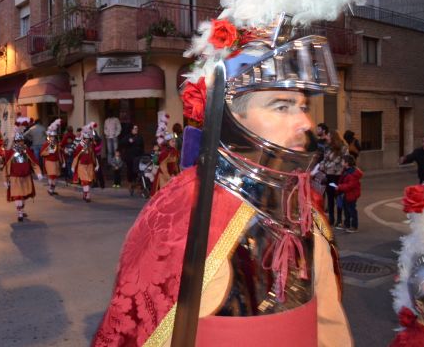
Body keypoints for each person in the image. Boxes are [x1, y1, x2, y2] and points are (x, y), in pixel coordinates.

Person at [93, 18, 351, 344]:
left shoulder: (303, 206)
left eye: (302, 106)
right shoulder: (182, 211)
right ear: (232, 117)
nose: (305, 121)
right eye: (282, 106)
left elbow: (328, 322)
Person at [2, 119, 42, 222]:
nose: (20, 143)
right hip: (15, 178)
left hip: (26, 177)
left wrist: (38, 173)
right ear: (15, 142)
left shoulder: (27, 151)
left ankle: (22, 209)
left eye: (21, 141)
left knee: (23, 195)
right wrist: (5, 180)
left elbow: (34, 162)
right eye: (18, 141)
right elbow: (6, 167)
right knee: (18, 195)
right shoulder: (11, 153)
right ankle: (19, 213)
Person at [319, 130, 348, 228]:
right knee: (330, 197)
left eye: (329, 136)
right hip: (329, 175)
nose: (327, 137)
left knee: (338, 197)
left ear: (333, 137)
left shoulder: (343, 148)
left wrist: (327, 166)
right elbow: (324, 159)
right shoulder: (328, 147)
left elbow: (341, 161)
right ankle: (331, 218)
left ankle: (339, 219)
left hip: (338, 176)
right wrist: (322, 166)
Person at [329, 155, 362, 233]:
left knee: (352, 210)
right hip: (346, 194)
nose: (342, 162)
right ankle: (347, 224)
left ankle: (354, 226)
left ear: (347, 163)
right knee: (346, 210)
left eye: (343, 161)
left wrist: (339, 187)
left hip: (351, 194)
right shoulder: (346, 170)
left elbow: (350, 185)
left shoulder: (352, 173)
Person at [72, 123, 99, 202]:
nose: (87, 140)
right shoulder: (80, 145)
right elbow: (76, 156)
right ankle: (88, 195)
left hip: (90, 165)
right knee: (84, 180)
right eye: (85, 138)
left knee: (89, 180)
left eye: (88, 138)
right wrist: (73, 166)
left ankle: (85, 193)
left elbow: (94, 155)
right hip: (82, 165)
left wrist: (97, 165)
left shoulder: (91, 145)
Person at [40, 119, 64, 196]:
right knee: (52, 175)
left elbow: (59, 153)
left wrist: (62, 161)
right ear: (49, 137)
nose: (53, 138)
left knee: (55, 177)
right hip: (49, 161)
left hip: (56, 161)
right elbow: (42, 153)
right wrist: (48, 152)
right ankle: (50, 189)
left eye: (54, 136)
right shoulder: (46, 144)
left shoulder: (57, 143)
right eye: (51, 136)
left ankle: (52, 190)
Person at [121, 124, 144, 196]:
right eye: (134, 128)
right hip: (130, 158)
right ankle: (131, 184)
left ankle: (138, 185)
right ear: (131, 129)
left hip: (138, 157)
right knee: (130, 171)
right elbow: (122, 143)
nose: (136, 130)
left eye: (137, 128)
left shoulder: (140, 137)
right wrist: (128, 141)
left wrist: (142, 155)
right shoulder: (128, 137)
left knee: (138, 172)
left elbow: (142, 146)